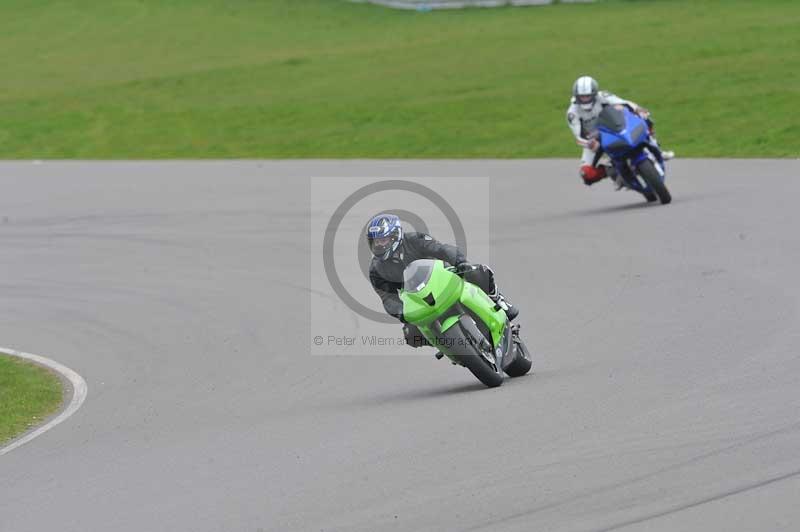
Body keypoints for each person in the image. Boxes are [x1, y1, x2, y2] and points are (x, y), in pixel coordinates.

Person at [365, 213, 517, 349]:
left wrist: (459, 262)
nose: (379, 245)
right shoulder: (376, 270)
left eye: (382, 240)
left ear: (395, 236)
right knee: (411, 335)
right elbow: (387, 297)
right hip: (416, 298)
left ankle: (497, 299)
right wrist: (401, 311)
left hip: (441, 278)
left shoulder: (415, 240)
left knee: (477, 271)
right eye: (376, 242)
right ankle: (448, 345)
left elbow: (441, 249)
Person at [566, 75, 674, 186]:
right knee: (587, 175)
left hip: (613, 129)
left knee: (646, 120)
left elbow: (624, 102)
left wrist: (638, 109)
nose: (585, 99)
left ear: (594, 93)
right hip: (593, 141)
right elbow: (578, 137)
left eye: (588, 96)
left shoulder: (602, 96)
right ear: (576, 96)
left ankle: (657, 149)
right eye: (582, 97)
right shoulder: (572, 113)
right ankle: (611, 171)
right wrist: (590, 143)